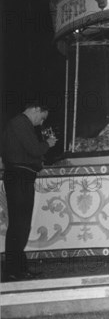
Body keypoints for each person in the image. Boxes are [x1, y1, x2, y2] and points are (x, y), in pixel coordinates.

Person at [2, 102, 57, 281]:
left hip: (19, 177)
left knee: (20, 225)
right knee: (20, 224)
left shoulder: (19, 124)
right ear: (35, 110)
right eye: (41, 118)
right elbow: (34, 149)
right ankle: (12, 270)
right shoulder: (20, 123)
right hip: (19, 178)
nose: (41, 123)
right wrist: (47, 144)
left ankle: (18, 268)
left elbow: (27, 152)